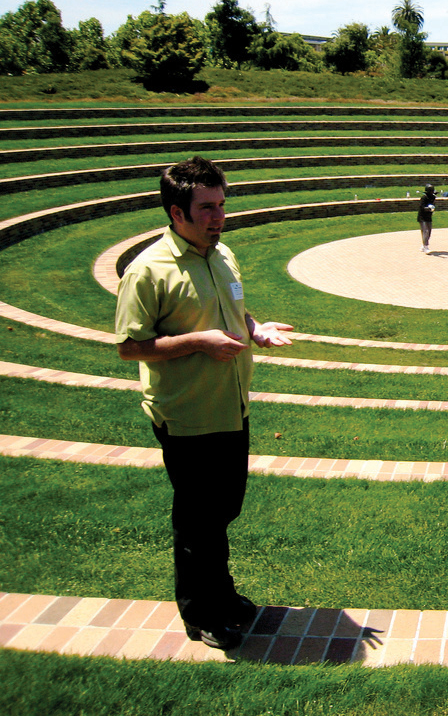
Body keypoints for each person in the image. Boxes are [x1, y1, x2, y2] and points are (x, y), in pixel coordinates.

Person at [114, 156, 293, 651]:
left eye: (222, 206)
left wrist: (255, 329)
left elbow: (234, 310)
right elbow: (130, 346)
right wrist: (198, 342)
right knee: (198, 521)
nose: (219, 218)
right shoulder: (147, 271)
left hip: (231, 407)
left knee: (224, 509)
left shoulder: (222, 254)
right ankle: (201, 614)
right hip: (188, 415)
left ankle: (224, 595)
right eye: (207, 208)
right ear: (177, 212)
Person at [418, 183, 436, 252]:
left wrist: (432, 207)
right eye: (431, 191)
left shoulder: (433, 197)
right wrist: (428, 208)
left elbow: (434, 204)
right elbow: (421, 207)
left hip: (429, 216)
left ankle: (423, 245)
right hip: (422, 216)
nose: (432, 192)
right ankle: (426, 246)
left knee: (429, 231)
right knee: (425, 231)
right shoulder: (424, 197)